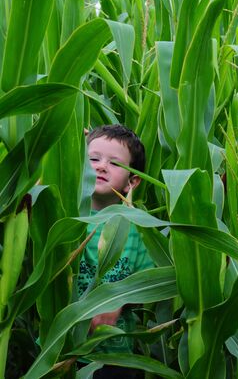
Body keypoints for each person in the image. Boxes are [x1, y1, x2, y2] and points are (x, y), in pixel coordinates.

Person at [78, 124, 154, 379]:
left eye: (114, 163)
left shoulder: (138, 229)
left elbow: (151, 285)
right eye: (93, 158)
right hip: (58, 351)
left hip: (115, 358)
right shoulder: (63, 215)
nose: (101, 166)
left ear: (132, 181)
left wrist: (119, 300)